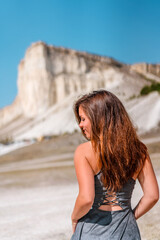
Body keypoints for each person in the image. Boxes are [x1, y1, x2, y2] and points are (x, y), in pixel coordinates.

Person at [70, 90, 159, 240]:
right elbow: (152, 196)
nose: (80, 124)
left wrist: (74, 218)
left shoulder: (84, 151)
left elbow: (86, 198)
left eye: (83, 119)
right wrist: (130, 216)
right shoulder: (139, 151)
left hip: (92, 230)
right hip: (126, 230)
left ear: (98, 117)